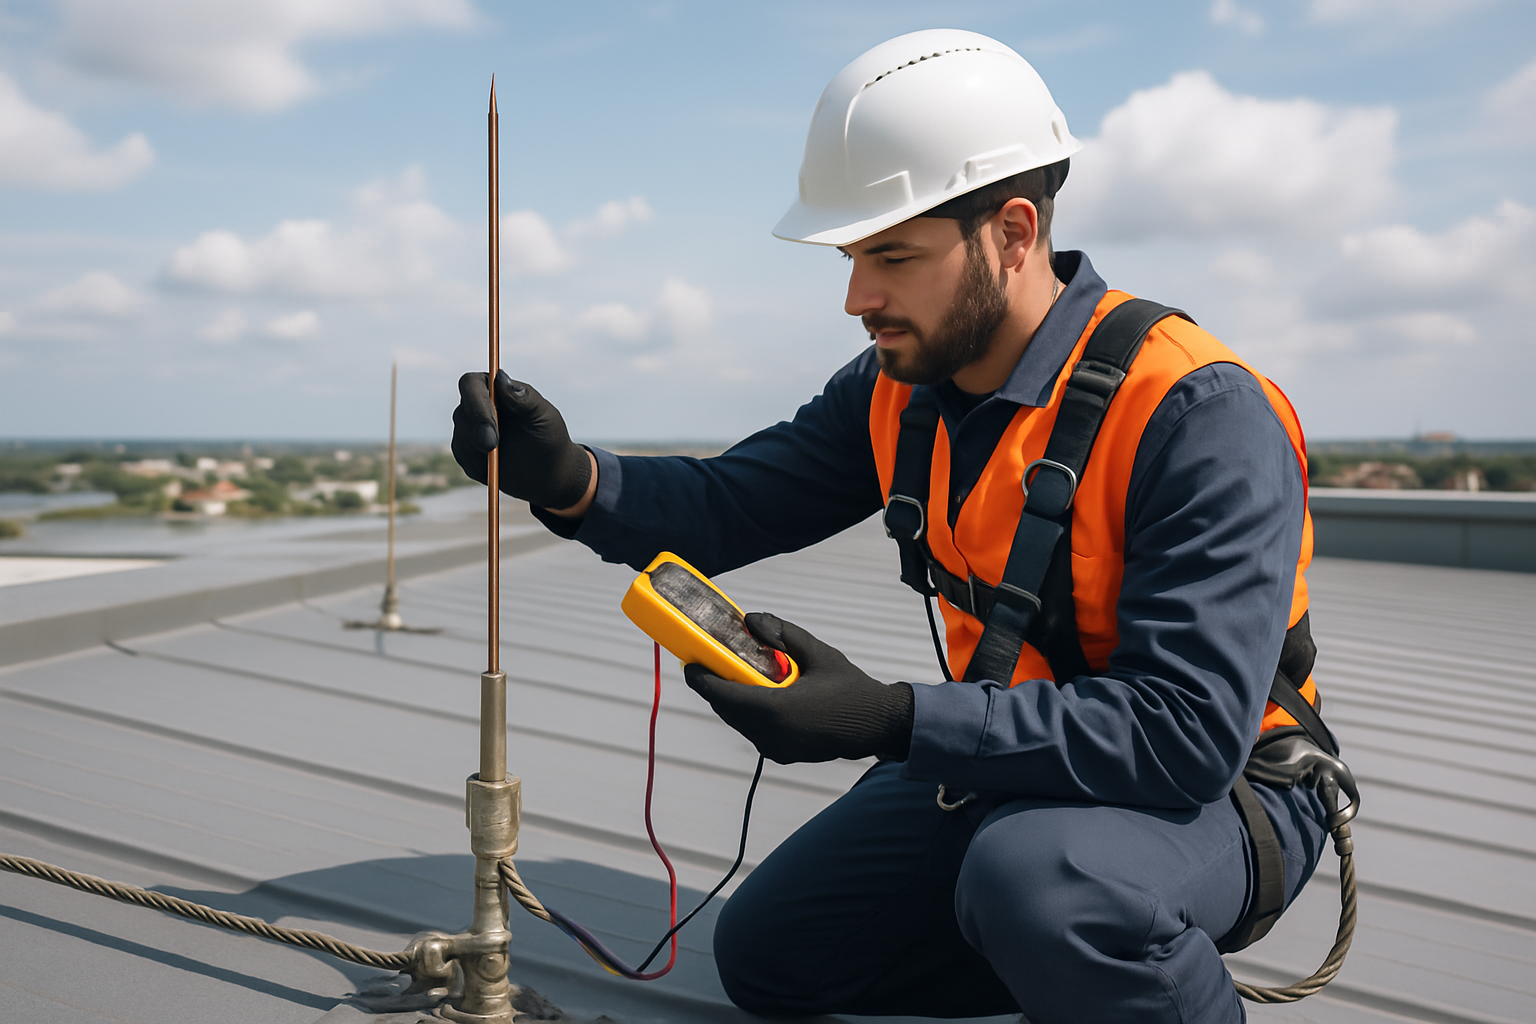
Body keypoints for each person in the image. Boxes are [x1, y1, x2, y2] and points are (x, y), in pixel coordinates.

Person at [452, 29, 1337, 1024]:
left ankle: (1098, 941)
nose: (856, 298)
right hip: (1020, 757)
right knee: (773, 954)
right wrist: (570, 480)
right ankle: (1073, 960)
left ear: (1012, 232)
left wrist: (893, 719)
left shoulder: (1198, 412)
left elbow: (1186, 737)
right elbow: (735, 501)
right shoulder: (898, 391)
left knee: (1043, 882)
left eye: (893, 256)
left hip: (1225, 790)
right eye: (851, 257)